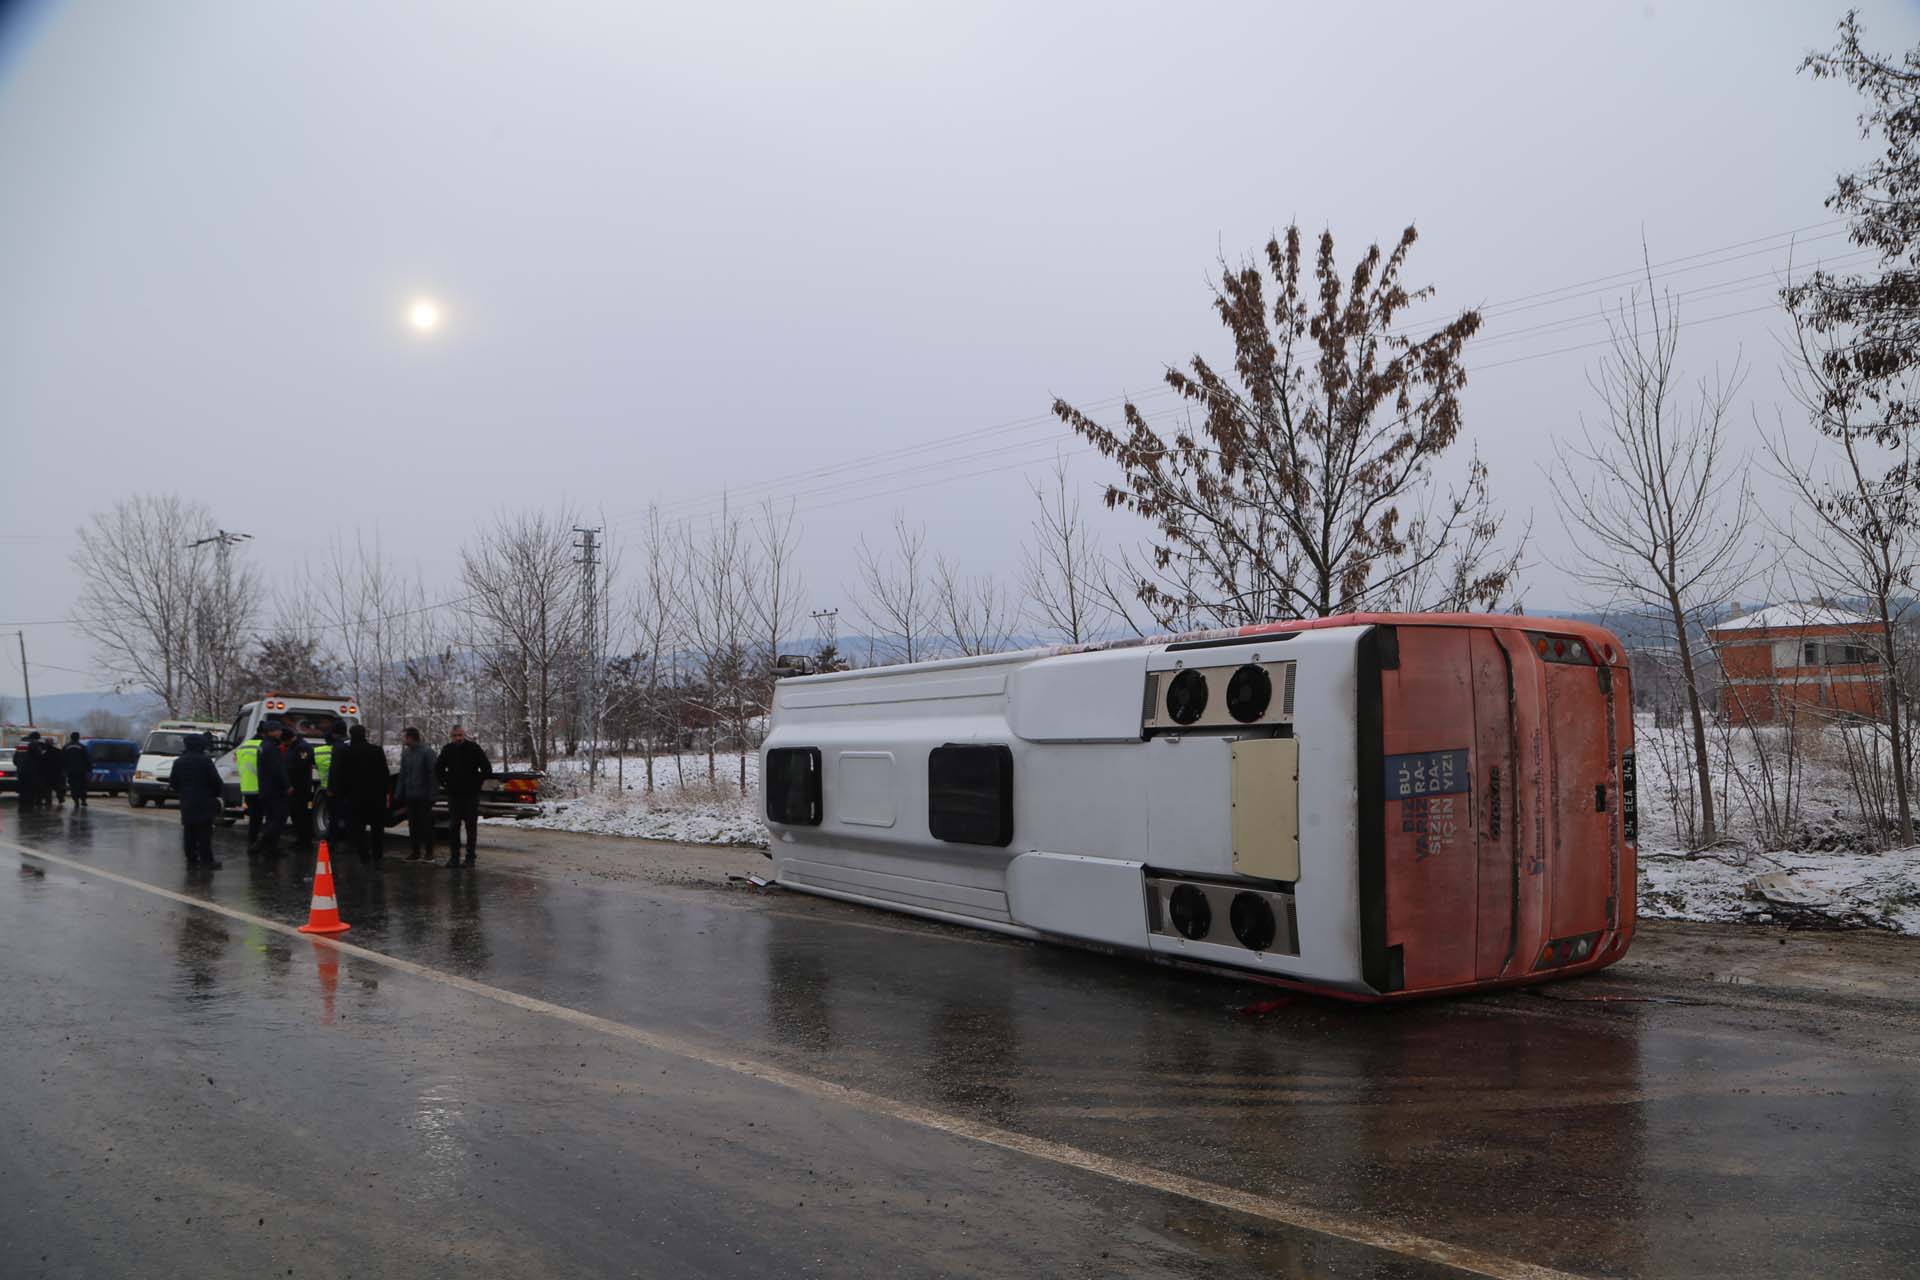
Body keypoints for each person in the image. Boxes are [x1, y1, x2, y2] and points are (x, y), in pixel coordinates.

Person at [435, 723, 491, 868]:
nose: (457, 738)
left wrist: (476, 783)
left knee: (471, 827)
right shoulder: (447, 750)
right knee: (453, 827)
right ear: (451, 736)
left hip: (471, 795)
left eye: (460, 735)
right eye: (454, 736)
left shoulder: (474, 748)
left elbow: (486, 768)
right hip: (454, 795)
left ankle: (470, 858)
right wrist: (446, 783)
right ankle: (454, 857)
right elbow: (438, 769)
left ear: (464, 734)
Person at [336, 724, 391, 864]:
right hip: (375, 797)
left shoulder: (345, 752)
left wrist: (342, 795)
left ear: (351, 735)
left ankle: (364, 855)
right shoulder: (377, 751)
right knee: (377, 828)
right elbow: (384, 774)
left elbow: (341, 775)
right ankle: (377, 856)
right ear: (365, 734)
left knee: (357, 828)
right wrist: (386, 793)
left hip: (354, 797)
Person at [170, 734, 224, 871]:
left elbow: (173, 782)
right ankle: (207, 860)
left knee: (189, 830)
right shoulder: (205, 761)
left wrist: (183, 792)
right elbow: (216, 782)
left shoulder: (179, 762)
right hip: (205, 801)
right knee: (204, 832)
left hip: (187, 801)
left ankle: (191, 857)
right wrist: (216, 794)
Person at [393, 727, 439, 862]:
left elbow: (433, 774)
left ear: (410, 737)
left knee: (426, 825)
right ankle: (415, 851)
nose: (402, 739)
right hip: (410, 795)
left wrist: (432, 795)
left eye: (404, 737)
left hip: (424, 796)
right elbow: (403, 775)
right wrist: (398, 793)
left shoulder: (427, 752)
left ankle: (429, 852)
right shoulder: (406, 753)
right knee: (413, 825)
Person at [249, 721, 291, 858]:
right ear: (271, 732)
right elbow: (277, 770)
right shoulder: (272, 748)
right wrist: (287, 785)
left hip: (266, 789)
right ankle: (261, 843)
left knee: (272, 818)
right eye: (278, 730)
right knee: (278, 818)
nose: (280, 732)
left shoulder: (263, 745)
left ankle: (272, 848)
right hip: (275, 790)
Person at [282, 721, 317, 849]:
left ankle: (305, 841)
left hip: (300, 786)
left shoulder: (303, 748)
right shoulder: (293, 747)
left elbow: (300, 766)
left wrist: (286, 771)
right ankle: (300, 839)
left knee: (301, 815)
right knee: (296, 815)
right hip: (293, 786)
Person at [235, 726, 263, 844]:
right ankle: (259, 842)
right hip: (260, 787)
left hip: (247, 786)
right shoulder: (263, 746)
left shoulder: (243, 746)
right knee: (263, 816)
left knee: (254, 817)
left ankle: (252, 839)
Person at [62, 733, 92, 808]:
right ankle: (83, 800)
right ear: (78, 738)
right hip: (81, 770)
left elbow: (62, 759)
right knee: (82, 785)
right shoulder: (82, 747)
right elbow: (87, 759)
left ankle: (76, 801)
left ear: (71, 737)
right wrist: (89, 768)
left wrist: (64, 770)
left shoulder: (66, 747)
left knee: (73, 786)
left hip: (70, 771)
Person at [12, 734, 37, 809]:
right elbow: (38, 757)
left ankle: (22, 802)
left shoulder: (19, 746)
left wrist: (19, 766)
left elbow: (15, 760)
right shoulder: (33, 744)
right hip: (30, 771)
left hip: (20, 770)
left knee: (22, 787)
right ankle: (29, 803)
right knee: (30, 788)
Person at [42, 735, 67, 808]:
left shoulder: (44, 753)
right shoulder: (58, 751)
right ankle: (60, 798)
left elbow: (41, 763)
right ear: (52, 743)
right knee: (58, 787)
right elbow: (63, 762)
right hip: (57, 773)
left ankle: (48, 801)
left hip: (47, 773)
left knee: (47, 788)